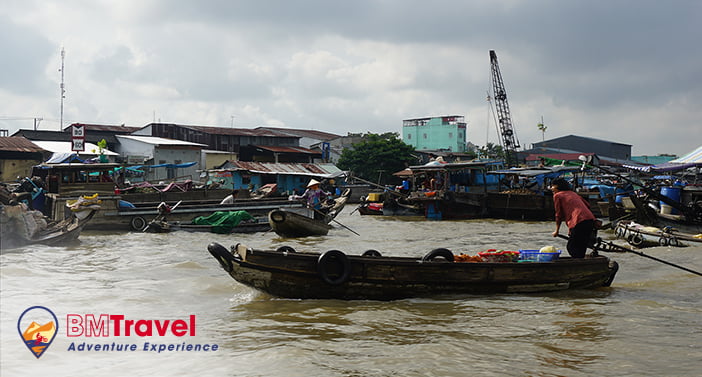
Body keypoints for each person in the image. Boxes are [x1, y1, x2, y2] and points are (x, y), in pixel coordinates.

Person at [550, 177, 596, 258]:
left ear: (558, 186)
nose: (551, 188)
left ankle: (577, 265)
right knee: (581, 246)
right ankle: (581, 263)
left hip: (580, 221)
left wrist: (556, 231)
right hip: (590, 220)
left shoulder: (557, 195)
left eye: (553, 186)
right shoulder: (573, 193)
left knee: (571, 247)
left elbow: (558, 215)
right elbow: (587, 205)